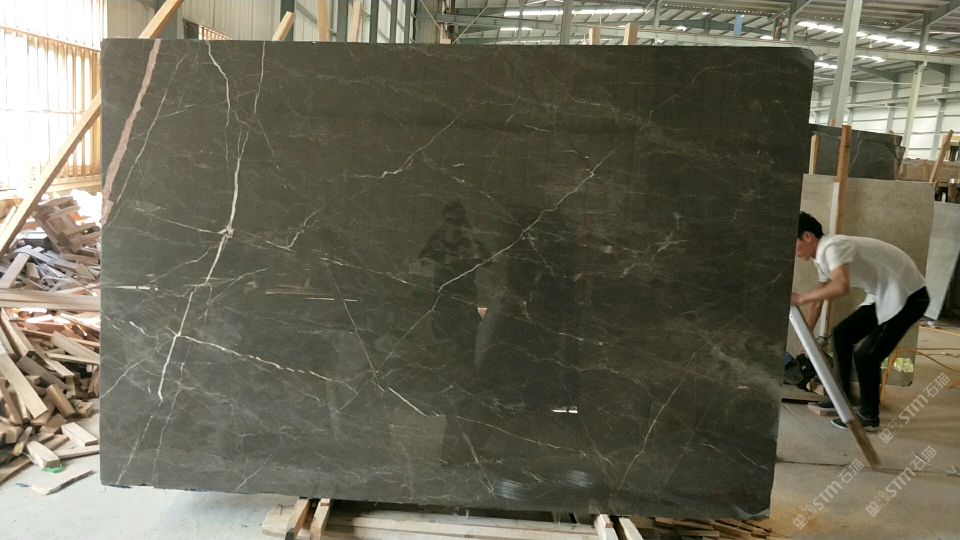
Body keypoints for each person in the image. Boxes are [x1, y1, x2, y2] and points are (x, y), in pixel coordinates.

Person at [791, 212, 929, 431]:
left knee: (867, 355)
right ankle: (842, 399)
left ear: (807, 236)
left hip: (909, 296)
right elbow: (818, 300)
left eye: (793, 242)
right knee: (842, 334)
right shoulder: (821, 258)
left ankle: (869, 416)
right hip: (883, 293)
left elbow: (840, 286)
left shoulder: (833, 247)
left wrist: (801, 298)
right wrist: (806, 340)